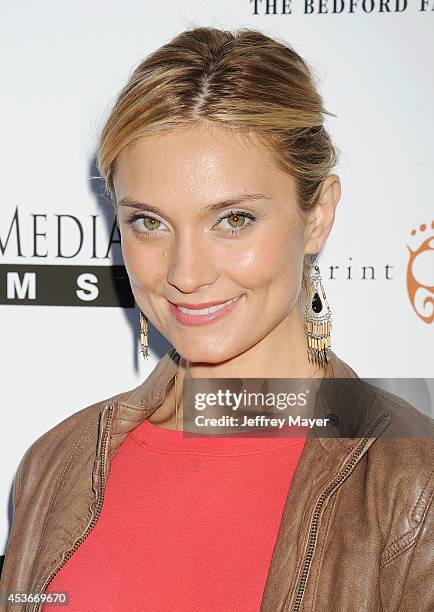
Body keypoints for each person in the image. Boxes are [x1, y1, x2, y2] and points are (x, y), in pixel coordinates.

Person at [1, 26, 433, 612]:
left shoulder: (414, 481)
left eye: (233, 220)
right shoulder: (54, 465)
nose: (185, 272)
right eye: (148, 222)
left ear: (318, 215)